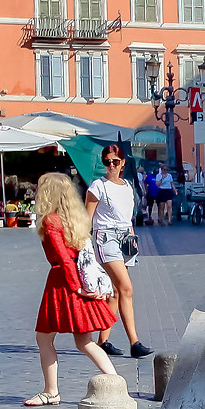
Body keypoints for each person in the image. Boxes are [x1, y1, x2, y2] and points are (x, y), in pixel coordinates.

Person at [22, 171, 120, 406]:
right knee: (84, 341)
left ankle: (51, 391)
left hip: (62, 282)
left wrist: (76, 289)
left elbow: (63, 259)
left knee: (44, 338)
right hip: (77, 279)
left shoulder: (50, 220)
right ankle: (116, 382)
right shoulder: (74, 219)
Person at [87, 144, 154, 359]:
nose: (111, 165)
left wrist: (133, 240)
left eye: (115, 161)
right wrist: (83, 246)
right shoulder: (98, 186)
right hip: (105, 238)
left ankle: (102, 341)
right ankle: (135, 342)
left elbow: (128, 217)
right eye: (107, 162)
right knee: (126, 288)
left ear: (123, 162)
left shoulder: (127, 186)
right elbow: (87, 218)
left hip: (125, 238)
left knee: (117, 292)